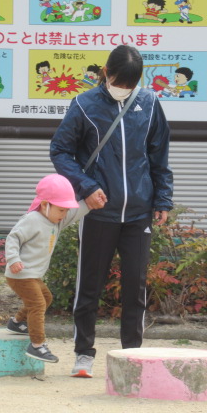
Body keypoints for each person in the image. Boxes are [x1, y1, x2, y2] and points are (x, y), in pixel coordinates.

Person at [50, 45, 173, 378]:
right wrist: (86, 187)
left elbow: (159, 154)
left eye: (131, 84)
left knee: (136, 287)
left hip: (138, 212)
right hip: (98, 212)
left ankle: (132, 356)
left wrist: (162, 199)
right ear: (106, 72)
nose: (124, 88)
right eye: (120, 81)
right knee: (89, 286)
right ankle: (83, 354)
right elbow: (60, 151)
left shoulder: (149, 103)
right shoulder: (84, 104)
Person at [4, 174, 90, 363]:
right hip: (20, 274)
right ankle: (37, 345)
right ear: (44, 205)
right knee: (37, 304)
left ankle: (17, 322)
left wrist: (90, 204)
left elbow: (74, 214)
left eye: (66, 210)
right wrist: (13, 259)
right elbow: (13, 237)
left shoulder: (55, 220)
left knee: (46, 298)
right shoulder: (32, 219)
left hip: (32, 275)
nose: (64, 214)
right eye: (61, 210)